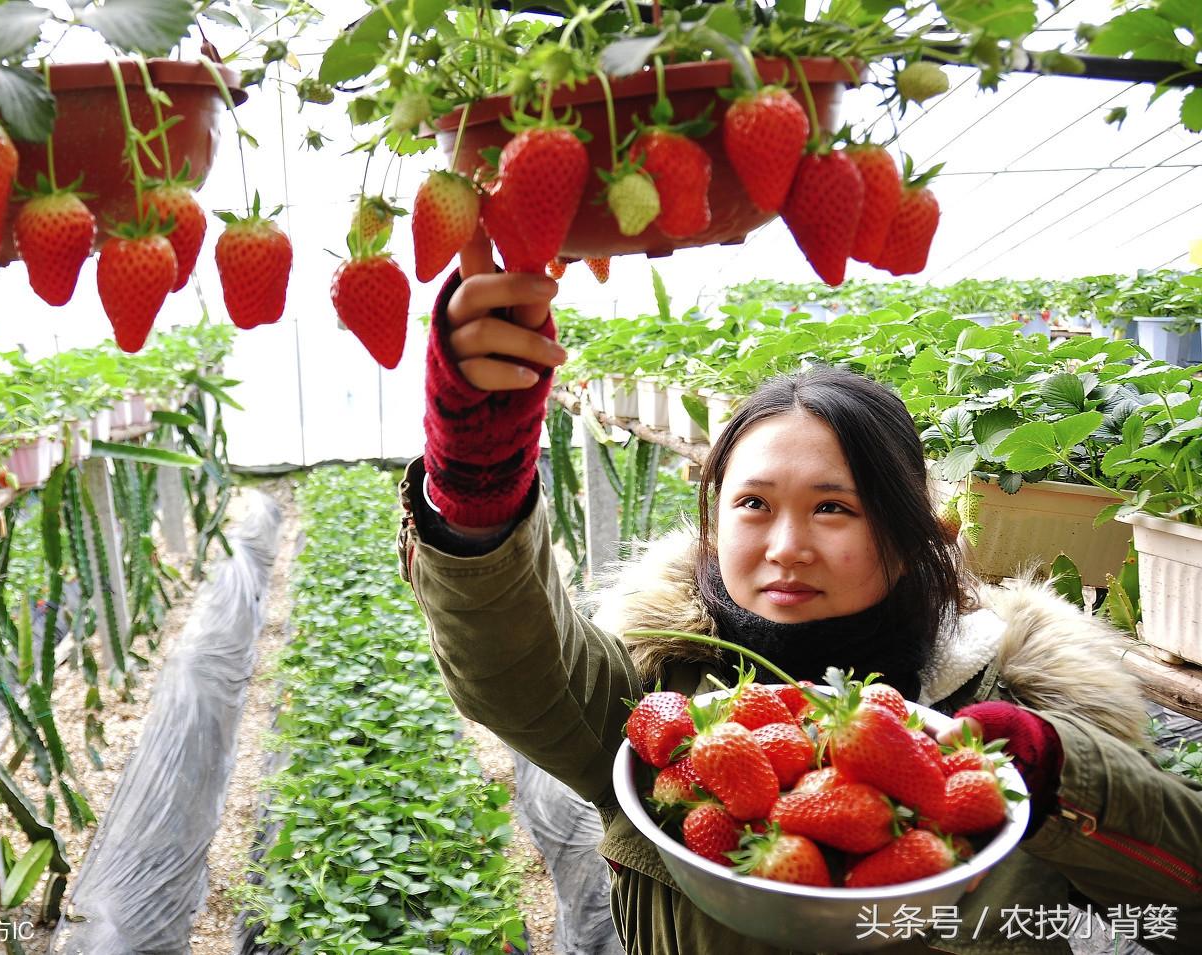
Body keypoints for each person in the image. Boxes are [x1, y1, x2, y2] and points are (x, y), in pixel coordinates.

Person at [396, 228, 1202, 955]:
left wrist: (1065, 771)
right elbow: (515, 669)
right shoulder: (658, 695)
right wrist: (478, 491)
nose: (786, 546)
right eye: (753, 503)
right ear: (714, 520)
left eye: (832, 507)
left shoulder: (1027, 698)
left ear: (909, 528)